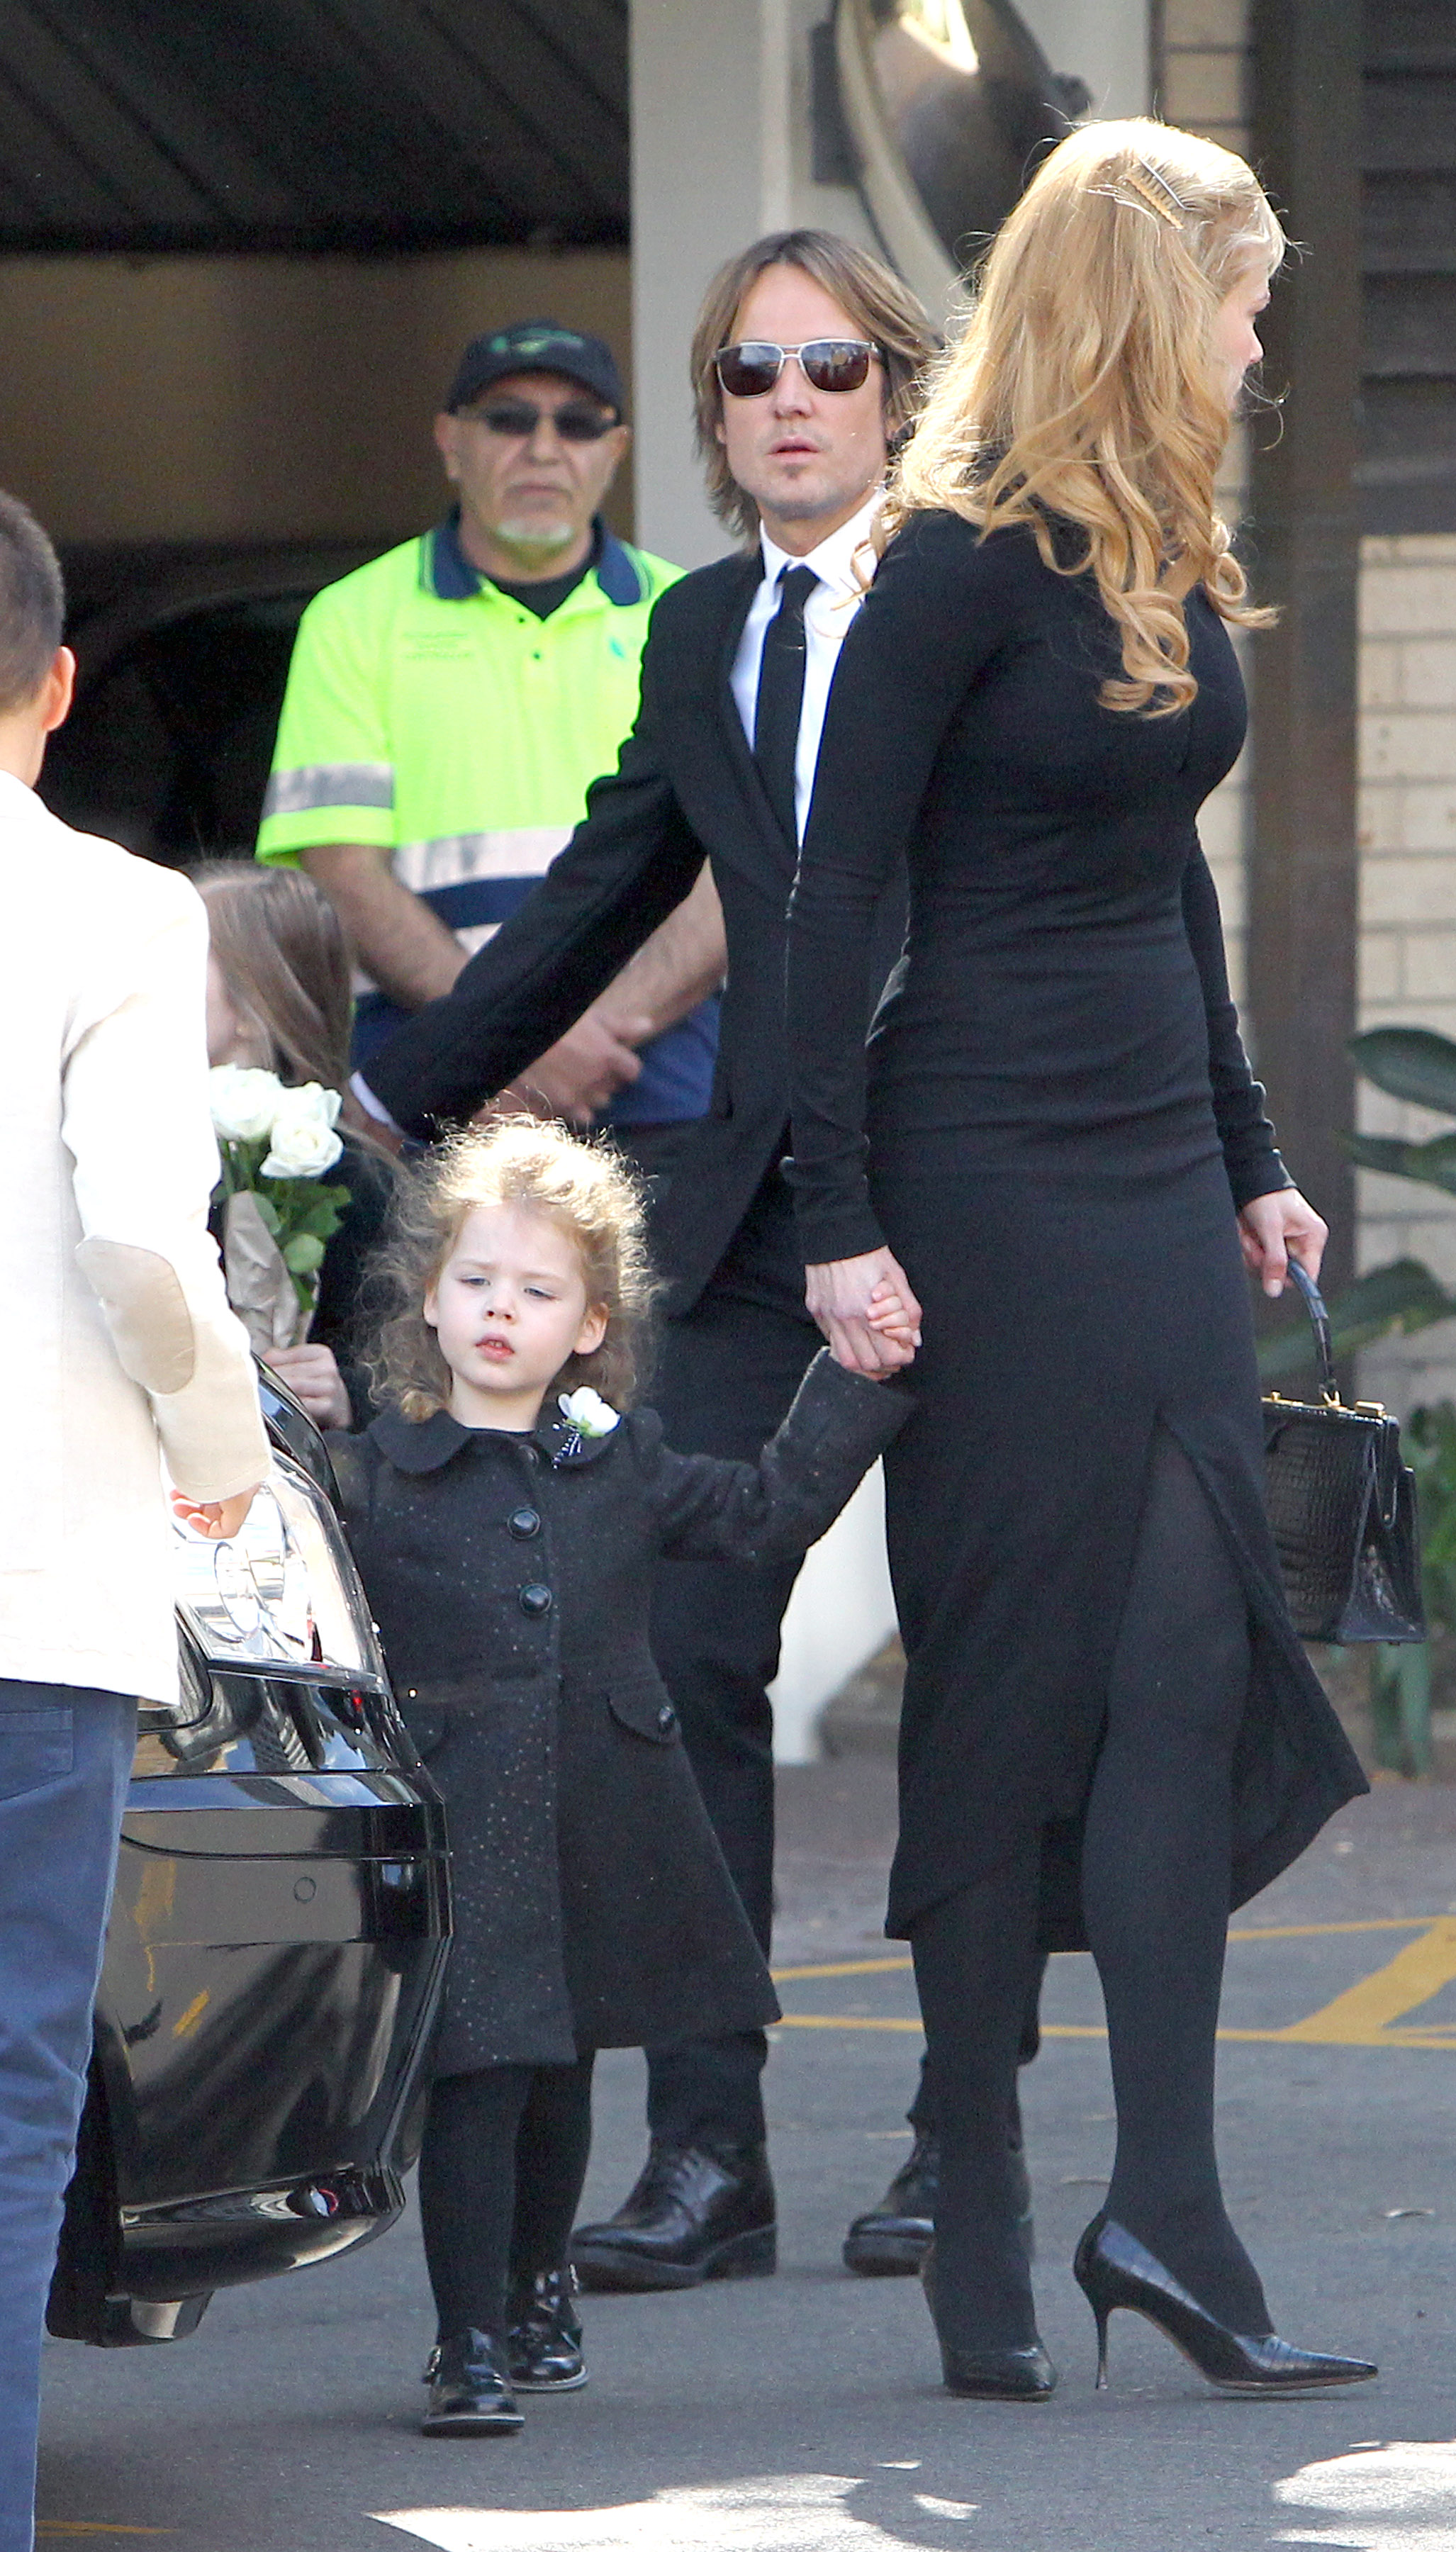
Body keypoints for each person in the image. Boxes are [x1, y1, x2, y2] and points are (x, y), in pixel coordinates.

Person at [784, 120, 1377, 2402]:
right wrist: (837, 1218)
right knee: (1013, 1683)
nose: (1256, 340)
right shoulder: (944, 564)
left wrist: (1247, 1152)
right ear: (1144, 302)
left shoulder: (1159, 537)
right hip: (984, 1170)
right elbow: (832, 902)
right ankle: (977, 2187)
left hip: (1145, 1170)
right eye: (1239, 298)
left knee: (1185, 1673)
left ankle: (1170, 2212)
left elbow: (1167, 872)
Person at [353, 233, 954, 2291]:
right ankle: (711, 2155)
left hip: (969, 1186)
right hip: (756, 1201)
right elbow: (606, 886)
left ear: (896, 394)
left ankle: (958, 2138)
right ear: (710, 417)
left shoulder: (971, 597)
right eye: (749, 372)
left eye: (831, 366)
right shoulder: (699, 631)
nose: (790, 400)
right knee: (682, 1641)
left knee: (983, 1651)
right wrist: (391, 1105)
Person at [327, 1116, 909, 2435]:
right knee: (476, 2074)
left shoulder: (620, 1461)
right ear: (430, 1299)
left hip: (601, 1809)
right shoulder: (376, 1476)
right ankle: (467, 2339)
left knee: (562, 2070)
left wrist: (853, 1379)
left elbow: (764, 1511)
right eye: (477, 1281)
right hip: (459, 1818)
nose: (501, 1310)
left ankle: (539, 2290)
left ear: (590, 1326)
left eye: (538, 1292)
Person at [0, 490, 268, 2548]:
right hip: (39, 1581)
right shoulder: (116, 914)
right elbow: (144, 1250)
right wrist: (220, 1443)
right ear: (60, 683)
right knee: (13, 2106)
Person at [257, 319, 725, 1174]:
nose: (543, 449)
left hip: (657, 1081)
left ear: (616, 450)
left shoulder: (692, 613)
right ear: (450, 442)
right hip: (431, 1085)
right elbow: (343, 877)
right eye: (509, 419)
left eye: (577, 424)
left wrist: (571, 1037)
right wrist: (519, 1043)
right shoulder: (352, 620)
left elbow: (735, 867)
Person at [192, 858, 395, 1428]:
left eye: (177, 954)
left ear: (253, 1006)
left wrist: (350, 1394)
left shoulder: (353, 1177)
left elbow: (413, 1364)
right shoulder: (121, 1145)